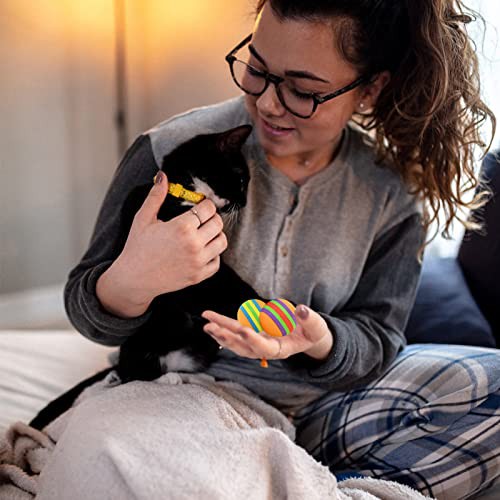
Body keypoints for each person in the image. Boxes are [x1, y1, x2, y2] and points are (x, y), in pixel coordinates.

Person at [49, 0, 499, 498]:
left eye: (303, 91)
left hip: (329, 408)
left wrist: (319, 338)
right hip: (190, 392)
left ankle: (289, 475)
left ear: (370, 89)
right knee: (121, 457)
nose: (266, 103)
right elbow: (86, 311)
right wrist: (132, 281)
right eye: (257, 69)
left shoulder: (391, 196)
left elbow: (379, 340)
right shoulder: (170, 150)